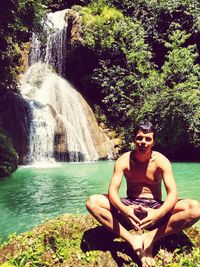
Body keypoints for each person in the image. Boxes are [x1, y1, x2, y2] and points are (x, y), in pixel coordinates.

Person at [86, 120, 200, 267]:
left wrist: (159, 213)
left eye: (147, 139)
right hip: (130, 205)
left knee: (195, 208)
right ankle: (132, 240)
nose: (143, 142)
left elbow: (173, 194)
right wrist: (125, 210)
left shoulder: (161, 161)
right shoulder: (123, 160)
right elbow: (112, 191)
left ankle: (150, 237)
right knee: (92, 202)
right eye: (139, 138)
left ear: (153, 142)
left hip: (154, 207)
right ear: (134, 140)